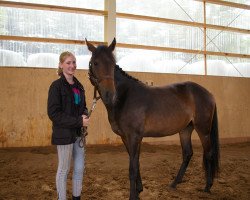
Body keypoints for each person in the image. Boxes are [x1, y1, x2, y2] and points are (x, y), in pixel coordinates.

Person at [47, 51, 89, 200]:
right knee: (64, 169)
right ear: (61, 65)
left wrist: (85, 114)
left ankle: (76, 197)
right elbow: (53, 113)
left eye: (74, 62)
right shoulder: (56, 86)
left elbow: (82, 106)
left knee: (79, 168)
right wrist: (79, 121)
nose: (72, 66)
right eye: (68, 63)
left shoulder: (79, 86)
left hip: (78, 134)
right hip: (64, 135)